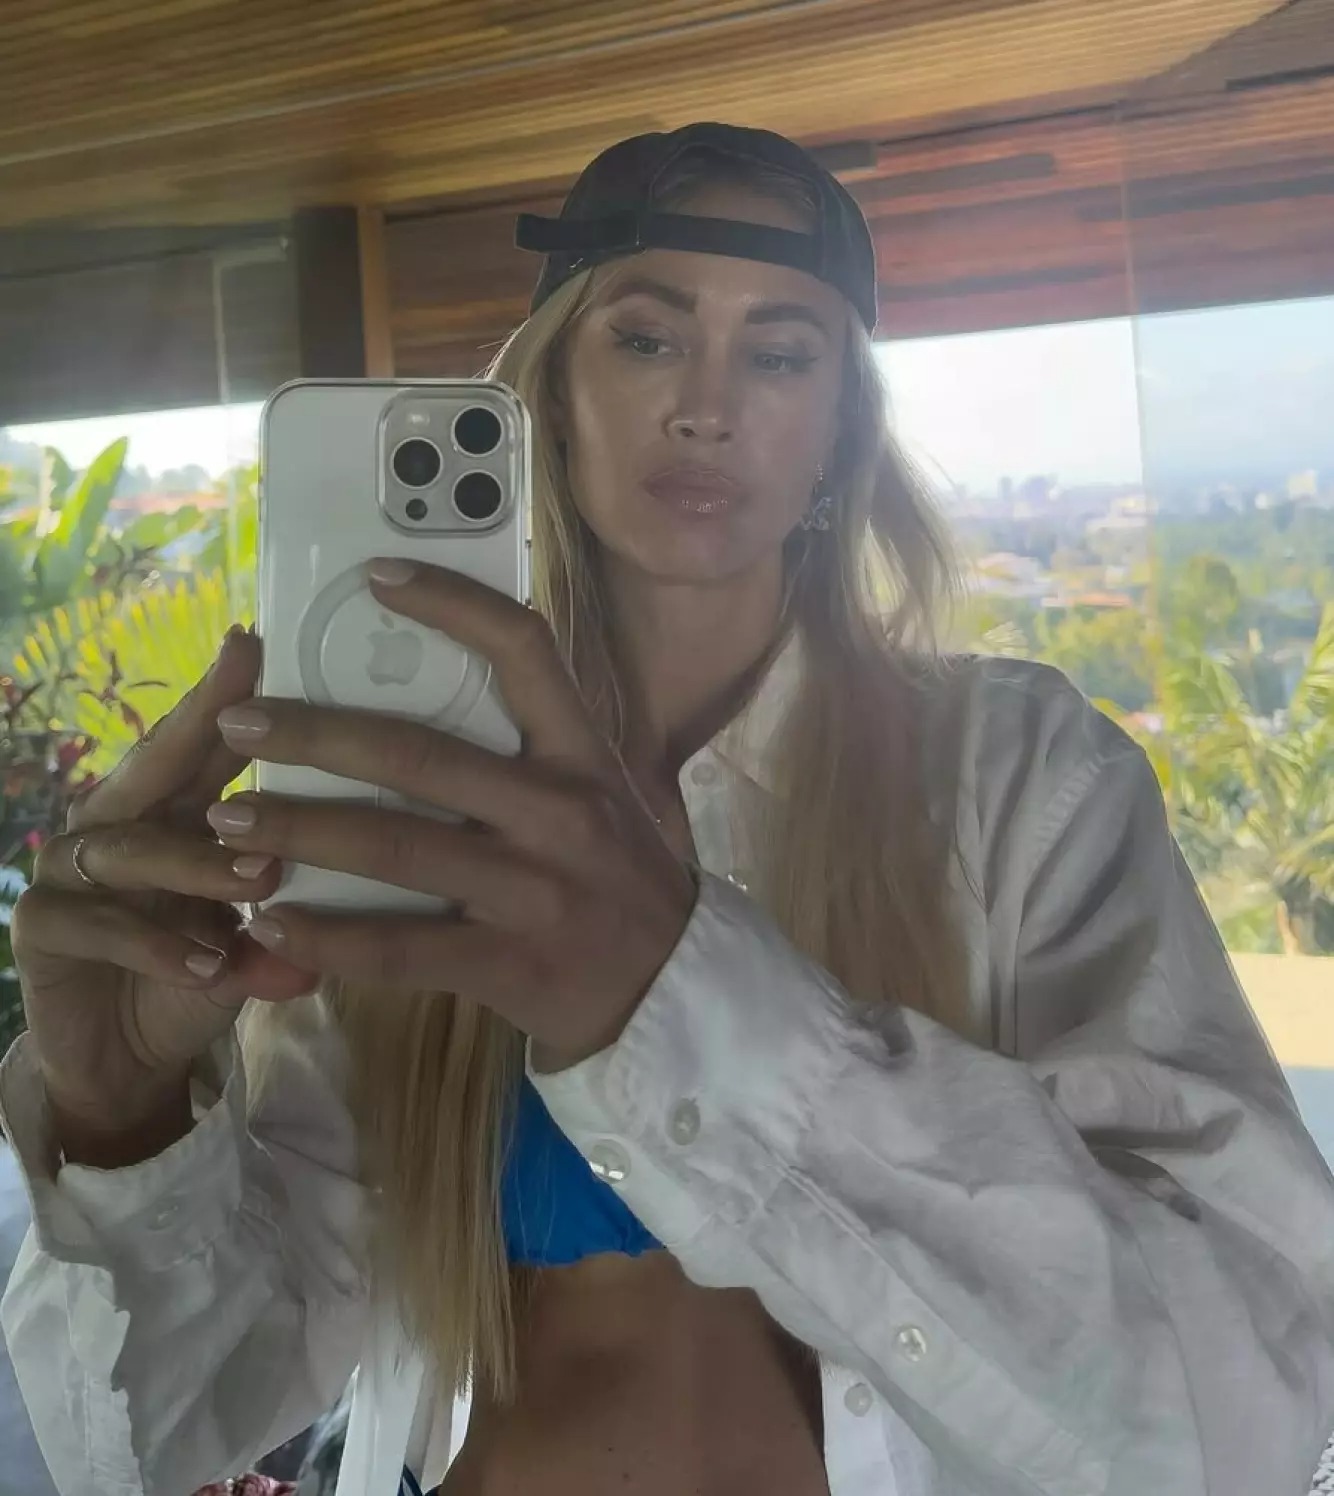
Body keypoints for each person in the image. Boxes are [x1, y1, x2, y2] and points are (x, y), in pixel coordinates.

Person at [3, 121, 1334, 1496]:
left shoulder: (1015, 775)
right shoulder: (414, 804)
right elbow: (156, 1437)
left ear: (839, 429)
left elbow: (1242, 1415)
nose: (708, 406)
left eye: (780, 355)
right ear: (552, 395)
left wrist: (675, 991)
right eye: (646, 339)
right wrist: (122, 1127)